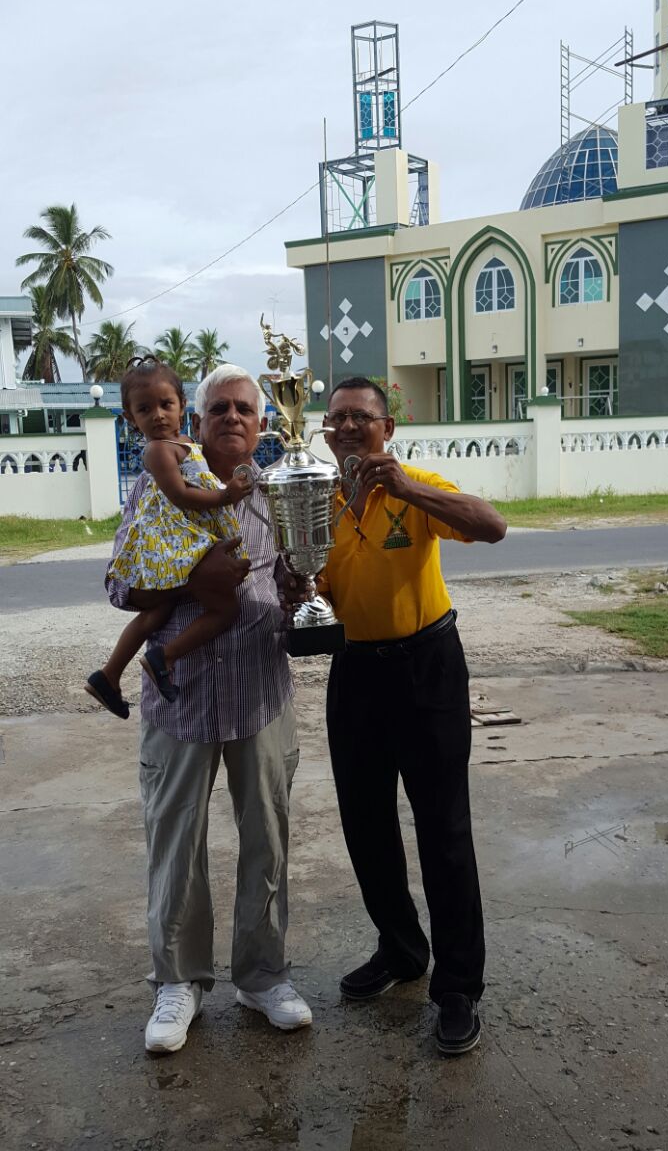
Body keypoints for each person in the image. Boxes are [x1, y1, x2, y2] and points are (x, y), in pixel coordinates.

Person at [106, 363, 312, 1053]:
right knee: (176, 846)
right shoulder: (159, 487)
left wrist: (298, 591)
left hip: (260, 693)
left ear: (261, 427)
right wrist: (191, 578)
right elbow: (118, 587)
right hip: (181, 698)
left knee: (268, 843)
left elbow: (299, 587)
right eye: (217, 408)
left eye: (243, 409)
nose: (230, 417)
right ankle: (179, 981)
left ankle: (263, 976)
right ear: (194, 422)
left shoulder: (279, 499)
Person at [318, 376, 507, 1057]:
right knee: (366, 826)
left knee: (443, 828)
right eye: (335, 419)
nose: (345, 429)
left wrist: (406, 489)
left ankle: (458, 988)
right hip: (357, 672)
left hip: (428, 666)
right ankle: (401, 951)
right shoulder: (319, 504)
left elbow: (491, 526)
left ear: (387, 428)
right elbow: (316, 593)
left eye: (359, 418)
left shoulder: (415, 485)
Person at [87, 357, 252, 719]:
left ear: (182, 406)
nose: (158, 415)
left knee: (158, 612)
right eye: (145, 409)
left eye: (166, 405)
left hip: (180, 547)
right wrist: (226, 496)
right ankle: (165, 657)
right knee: (225, 608)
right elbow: (180, 496)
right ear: (131, 418)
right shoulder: (159, 450)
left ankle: (109, 675)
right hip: (169, 546)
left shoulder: (186, 445)